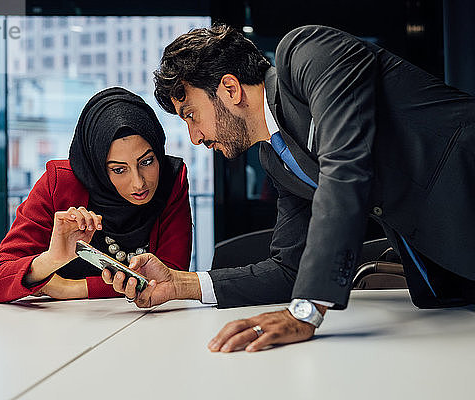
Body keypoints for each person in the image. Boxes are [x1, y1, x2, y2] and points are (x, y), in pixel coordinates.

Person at [102, 24, 475, 352]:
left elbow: (345, 168)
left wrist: (307, 310)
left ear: (230, 89)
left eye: (191, 115)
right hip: (457, 278)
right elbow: (289, 270)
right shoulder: (278, 162)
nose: (195, 137)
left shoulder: (309, 53)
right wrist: (181, 284)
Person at [0, 87, 192, 303]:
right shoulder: (60, 183)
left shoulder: (172, 179)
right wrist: (52, 259)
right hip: (42, 326)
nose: (139, 183)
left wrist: (72, 288)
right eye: (119, 169)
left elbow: (170, 279)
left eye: (146, 162)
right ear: (97, 165)